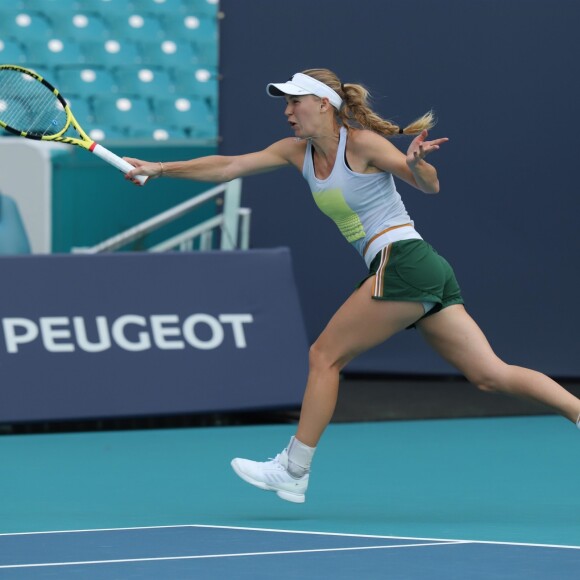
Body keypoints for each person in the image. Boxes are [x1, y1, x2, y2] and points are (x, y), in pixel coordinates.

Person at [125, 68, 580, 504]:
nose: (287, 110)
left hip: (403, 259)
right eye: (285, 102)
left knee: (324, 356)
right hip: (420, 267)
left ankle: (293, 470)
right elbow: (228, 166)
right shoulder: (295, 151)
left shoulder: (363, 145)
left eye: (295, 101)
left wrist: (418, 165)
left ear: (324, 105)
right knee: (489, 375)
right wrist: (161, 168)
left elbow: (429, 186)